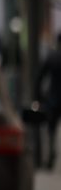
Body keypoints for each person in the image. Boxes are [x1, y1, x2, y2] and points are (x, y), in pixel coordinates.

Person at [36, 33, 61, 169]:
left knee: (50, 130)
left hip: (53, 100)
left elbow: (40, 78)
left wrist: (38, 97)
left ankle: (51, 156)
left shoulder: (52, 57)